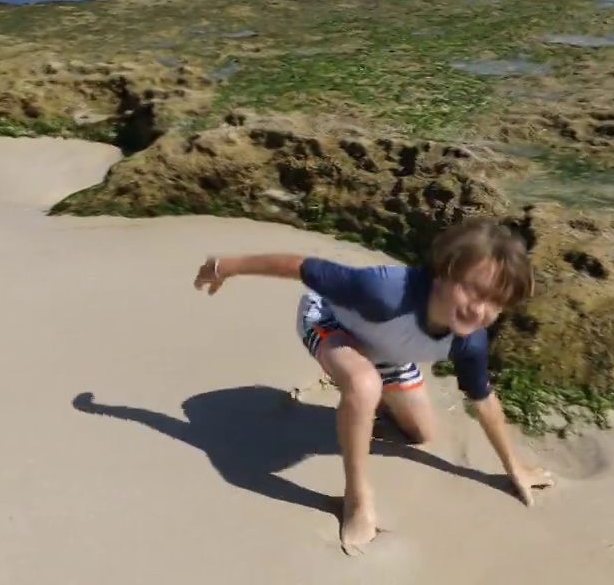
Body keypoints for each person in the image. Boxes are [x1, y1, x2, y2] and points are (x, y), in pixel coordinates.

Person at [191, 218, 555, 554]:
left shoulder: (469, 341)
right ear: (442, 273)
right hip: (327, 320)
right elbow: (300, 266)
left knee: (421, 433)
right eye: (473, 290)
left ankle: (365, 401)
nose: (479, 310)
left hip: (387, 350)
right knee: (364, 385)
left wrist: (515, 468)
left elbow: (484, 399)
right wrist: (225, 267)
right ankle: (357, 498)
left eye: (496, 302)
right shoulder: (384, 291)